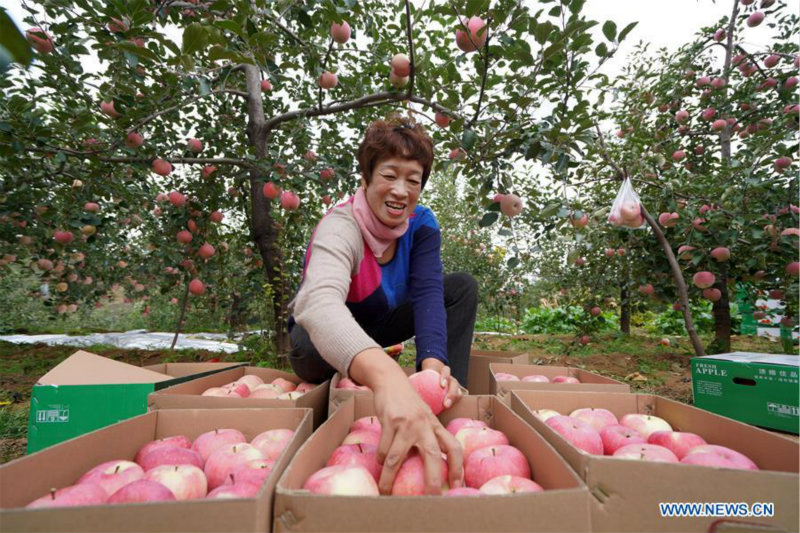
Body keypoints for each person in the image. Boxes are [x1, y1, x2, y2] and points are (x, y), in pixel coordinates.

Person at [288, 114, 478, 495]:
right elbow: (318, 302)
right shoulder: (341, 226)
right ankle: (358, 382)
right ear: (366, 178)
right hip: (331, 333)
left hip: (381, 325)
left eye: (413, 180)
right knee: (309, 346)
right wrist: (387, 377)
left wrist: (433, 367)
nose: (401, 190)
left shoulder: (421, 224)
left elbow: (427, 293)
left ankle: (451, 398)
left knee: (460, 287)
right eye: (390, 175)